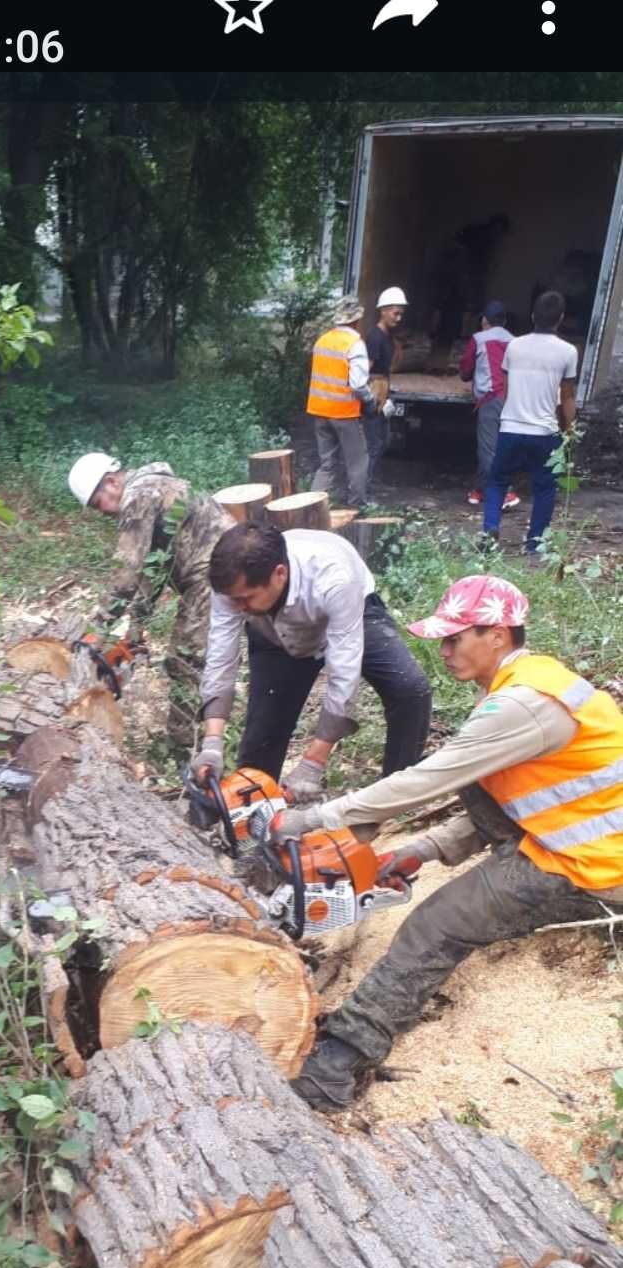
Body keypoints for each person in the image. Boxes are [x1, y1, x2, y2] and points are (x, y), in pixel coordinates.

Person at [273, 573, 623, 1111]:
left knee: (438, 924)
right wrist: (428, 848)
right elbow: (508, 798)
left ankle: (336, 1064)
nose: (445, 651)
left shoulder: (520, 706)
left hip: (595, 866)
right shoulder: (527, 684)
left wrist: (318, 818)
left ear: (499, 635)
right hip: (579, 838)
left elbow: (423, 780)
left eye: (456, 638)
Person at [191, 522, 432, 803]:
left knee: (410, 690)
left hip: (349, 615)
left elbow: (344, 671)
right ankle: (252, 818)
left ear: (279, 574)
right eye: (234, 601)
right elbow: (221, 657)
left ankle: (391, 797)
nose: (238, 608)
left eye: (245, 599)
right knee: (262, 741)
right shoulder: (233, 588)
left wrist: (313, 763)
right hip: (274, 633)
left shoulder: (335, 578)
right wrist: (212, 741)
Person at [68, 451, 232, 749]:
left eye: (98, 502)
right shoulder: (154, 489)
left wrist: (98, 629)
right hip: (216, 566)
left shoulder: (139, 496)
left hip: (215, 570)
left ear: (111, 481)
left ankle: (184, 747)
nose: (101, 511)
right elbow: (154, 568)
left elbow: (126, 572)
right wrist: (136, 630)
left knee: (186, 660)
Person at [482, 289, 578, 557]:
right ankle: (534, 543)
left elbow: (506, 389)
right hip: (545, 431)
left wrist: (511, 412)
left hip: (511, 427)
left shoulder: (515, 346)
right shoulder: (568, 352)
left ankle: (490, 529)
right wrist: (569, 430)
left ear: (533, 316)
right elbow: (567, 396)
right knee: (545, 488)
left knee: (498, 481)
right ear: (560, 319)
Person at [306, 296, 394, 509]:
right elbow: (357, 384)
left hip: (319, 410)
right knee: (358, 462)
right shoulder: (354, 344)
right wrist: (370, 402)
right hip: (344, 413)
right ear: (357, 320)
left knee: (327, 464)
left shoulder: (322, 340)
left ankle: (310, 508)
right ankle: (357, 506)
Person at [460, 300, 519, 511]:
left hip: (491, 398)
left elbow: (465, 371)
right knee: (497, 446)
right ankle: (479, 490)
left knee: (487, 450)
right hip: (512, 399)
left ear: (484, 320)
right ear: (504, 321)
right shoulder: (515, 341)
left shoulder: (478, 339)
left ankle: (507, 492)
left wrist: (470, 376)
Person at [364, 286, 407, 498]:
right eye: (395, 313)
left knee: (381, 442)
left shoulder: (387, 337)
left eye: (400, 314)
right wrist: (372, 397)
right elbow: (367, 370)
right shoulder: (374, 337)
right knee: (373, 444)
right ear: (383, 311)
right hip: (374, 395)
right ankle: (363, 491)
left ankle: (367, 485)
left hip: (381, 393)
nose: (398, 318)